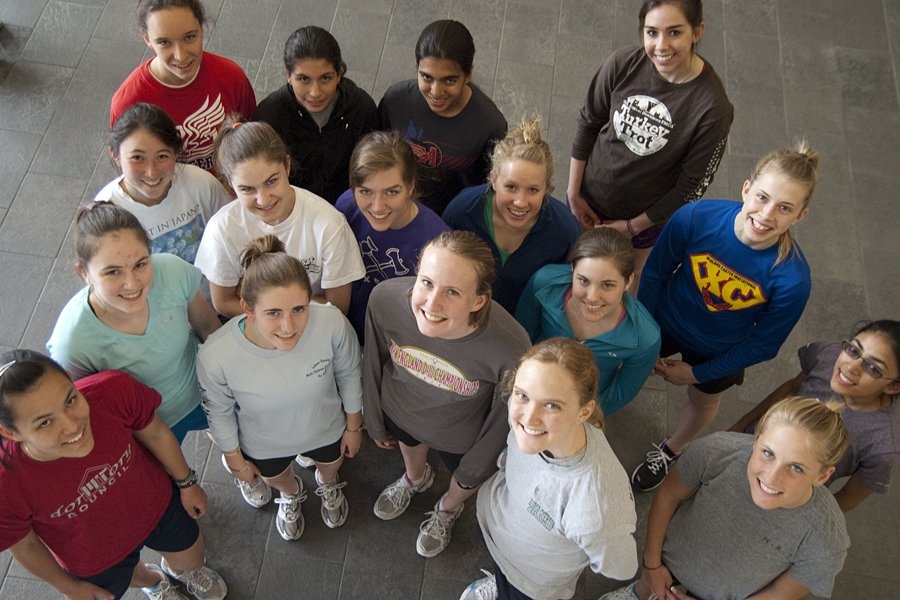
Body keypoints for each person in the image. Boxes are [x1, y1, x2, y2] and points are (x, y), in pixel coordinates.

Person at [630, 143, 819, 493]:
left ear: (800, 216)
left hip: (719, 351)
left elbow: (763, 344)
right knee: (626, 360)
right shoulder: (696, 217)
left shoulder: (792, 279)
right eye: (762, 197)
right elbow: (654, 273)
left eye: (785, 208)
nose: (766, 215)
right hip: (663, 318)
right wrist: (647, 332)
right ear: (746, 189)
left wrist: (697, 373)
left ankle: (674, 448)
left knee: (703, 400)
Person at [0, 350, 227, 600]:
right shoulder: (5, 485)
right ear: (11, 433)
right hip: (94, 555)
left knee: (191, 555)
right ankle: (153, 582)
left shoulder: (112, 391)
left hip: (156, 505)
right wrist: (68, 587)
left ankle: (184, 572)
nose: (73, 425)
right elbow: (25, 545)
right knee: (133, 575)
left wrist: (187, 483)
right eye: (44, 423)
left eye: (70, 400)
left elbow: (156, 433)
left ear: (69, 378)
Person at [363, 231, 531, 558]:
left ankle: (448, 509)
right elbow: (372, 359)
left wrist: (476, 467)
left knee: (462, 482)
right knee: (410, 449)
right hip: (402, 413)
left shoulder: (510, 346)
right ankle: (415, 478)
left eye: (452, 292)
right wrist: (373, 419)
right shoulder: (384, 300)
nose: (431, 303)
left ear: (479, 300)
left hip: (461, 439)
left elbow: (503, 420)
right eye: (426, 282)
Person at [600, 396, 850, 600]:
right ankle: (639, 592)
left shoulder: (826, 541)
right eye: (767, 453)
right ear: (756, 440)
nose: (772, 478)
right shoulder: (716, 452)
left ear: (822, 476)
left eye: (796, 467)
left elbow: (777, 594)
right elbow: (667, 496)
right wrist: (652, 566)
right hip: (666, 563)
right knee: (646, 586)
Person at [197, 236, 363, 541]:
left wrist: (353, 427)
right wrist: (235, 459)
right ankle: (292, 493)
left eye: (299, 309)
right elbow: (219, 413)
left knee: (329, 466)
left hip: (325, 428)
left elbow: (350, 372)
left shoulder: (331, 323)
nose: (289, 326)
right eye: (273, 313)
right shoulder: (215, 356)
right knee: (279, 479)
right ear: (247, 307)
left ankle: (327, 484)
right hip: (263, 444)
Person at [567, 0, 733, 290]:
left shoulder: (712, 107)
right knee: (576, 264)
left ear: (697, 32)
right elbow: (588, 122)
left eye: (674, 33)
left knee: (625, 281)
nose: (661, 45)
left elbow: (691, 185)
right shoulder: (623, 63)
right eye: (652, 32)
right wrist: (573, 191)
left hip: (644, 222)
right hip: (589, 198)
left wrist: (633, 227)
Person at [461, 338, 637, 600]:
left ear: (584, 412)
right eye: (522, 395)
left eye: (552, 405)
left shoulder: (595, 506)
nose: (528, 418)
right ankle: (500, 582)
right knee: (502, 574)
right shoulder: (531, 423)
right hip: (496, 526)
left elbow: (621, 566)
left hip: (532, 581)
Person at [47, 202, 221, 444]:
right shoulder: (72, 344)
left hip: (206, 392)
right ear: (84, 273)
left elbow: (208, 328)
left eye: (140, 264)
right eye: (112, 272)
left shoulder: (173, 271)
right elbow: (85, 408)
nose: (132, 284)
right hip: (148, 430)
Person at [194, 118, 364, 318]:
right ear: (230, 184)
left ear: (287, 165)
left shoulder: (330, 225)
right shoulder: (221, 229)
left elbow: (336, 307)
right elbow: (223, 302)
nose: (263, 199)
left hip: (313, 325)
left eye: (271, 181)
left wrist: (260, 304)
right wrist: (299, 306)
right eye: (247, 189)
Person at [730, 320, 900, 512]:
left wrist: (804, 520)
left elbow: (847, 498)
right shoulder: (827, 356)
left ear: (893, 386)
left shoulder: (884, 447)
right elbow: (790, 388)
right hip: (747, 448)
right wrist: (740, 425)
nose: (851, 367)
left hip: (786, 498)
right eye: (853, 350)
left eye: (873, 368)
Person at [516, 228, 660, 416]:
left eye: (607, 285)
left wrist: (580, 417)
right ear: (572, 270)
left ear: (628, 282)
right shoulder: (542, 284)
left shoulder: (645, 337)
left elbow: (619, 394)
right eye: (583, 280)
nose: (592, 297)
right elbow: (520, 336)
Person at [443, 116, 581, 314]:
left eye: (533, 190)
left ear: (546, 189)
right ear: (493, 180)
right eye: (511, 187)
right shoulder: (460, 213)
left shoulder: (565, 232)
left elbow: (564, 294)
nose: (520, 201)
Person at [110, 0, 256, 173]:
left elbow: (250, 139)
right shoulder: (128, 102)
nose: (180, 56)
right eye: (164, 42)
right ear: (147, 39)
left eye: (189, 37)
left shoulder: (232, 77)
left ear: (202, 29)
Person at [379, 19, 507, 216]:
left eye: (449, 80)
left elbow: (488, 187)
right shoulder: (395, 100)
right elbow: (380, 152)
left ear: (468, 74)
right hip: (394, 207)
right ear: (416, 68)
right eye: (426, 77)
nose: (436, 92)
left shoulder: (490, 125)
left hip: (451, 217)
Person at [335, 130, 449, 343]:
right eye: (366, 191)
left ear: (410, 186)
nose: (377, 207)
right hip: (344, 331)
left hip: (394, 343)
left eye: (391, 192)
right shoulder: (347, 207)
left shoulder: (437, 243)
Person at [254, 26, 379, 204]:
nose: (315, 93)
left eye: (325, 78)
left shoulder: (361, 109)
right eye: (304, 79)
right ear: (288, 76)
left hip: (348, 206)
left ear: (339, 74)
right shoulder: (269, 117)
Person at [96, 102, 231, 264]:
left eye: (162, 157)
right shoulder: (106, 212)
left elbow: (231, 232)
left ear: (176, 153)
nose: (152, 172)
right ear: (115, 155)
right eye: (137, 158)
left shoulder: (201, 184)